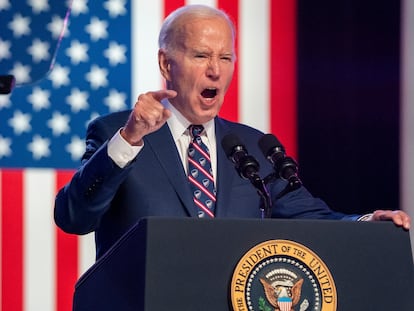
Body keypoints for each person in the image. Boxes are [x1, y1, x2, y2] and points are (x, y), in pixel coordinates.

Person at [54, 4, 411, 260]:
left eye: (225, 58)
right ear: (166, 63)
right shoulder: (117, 133)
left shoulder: (253, 146)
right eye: (201, 56)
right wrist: (129, 140)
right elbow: (74, 217)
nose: (215, 71)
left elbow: (310, 218)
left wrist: (365, 222)